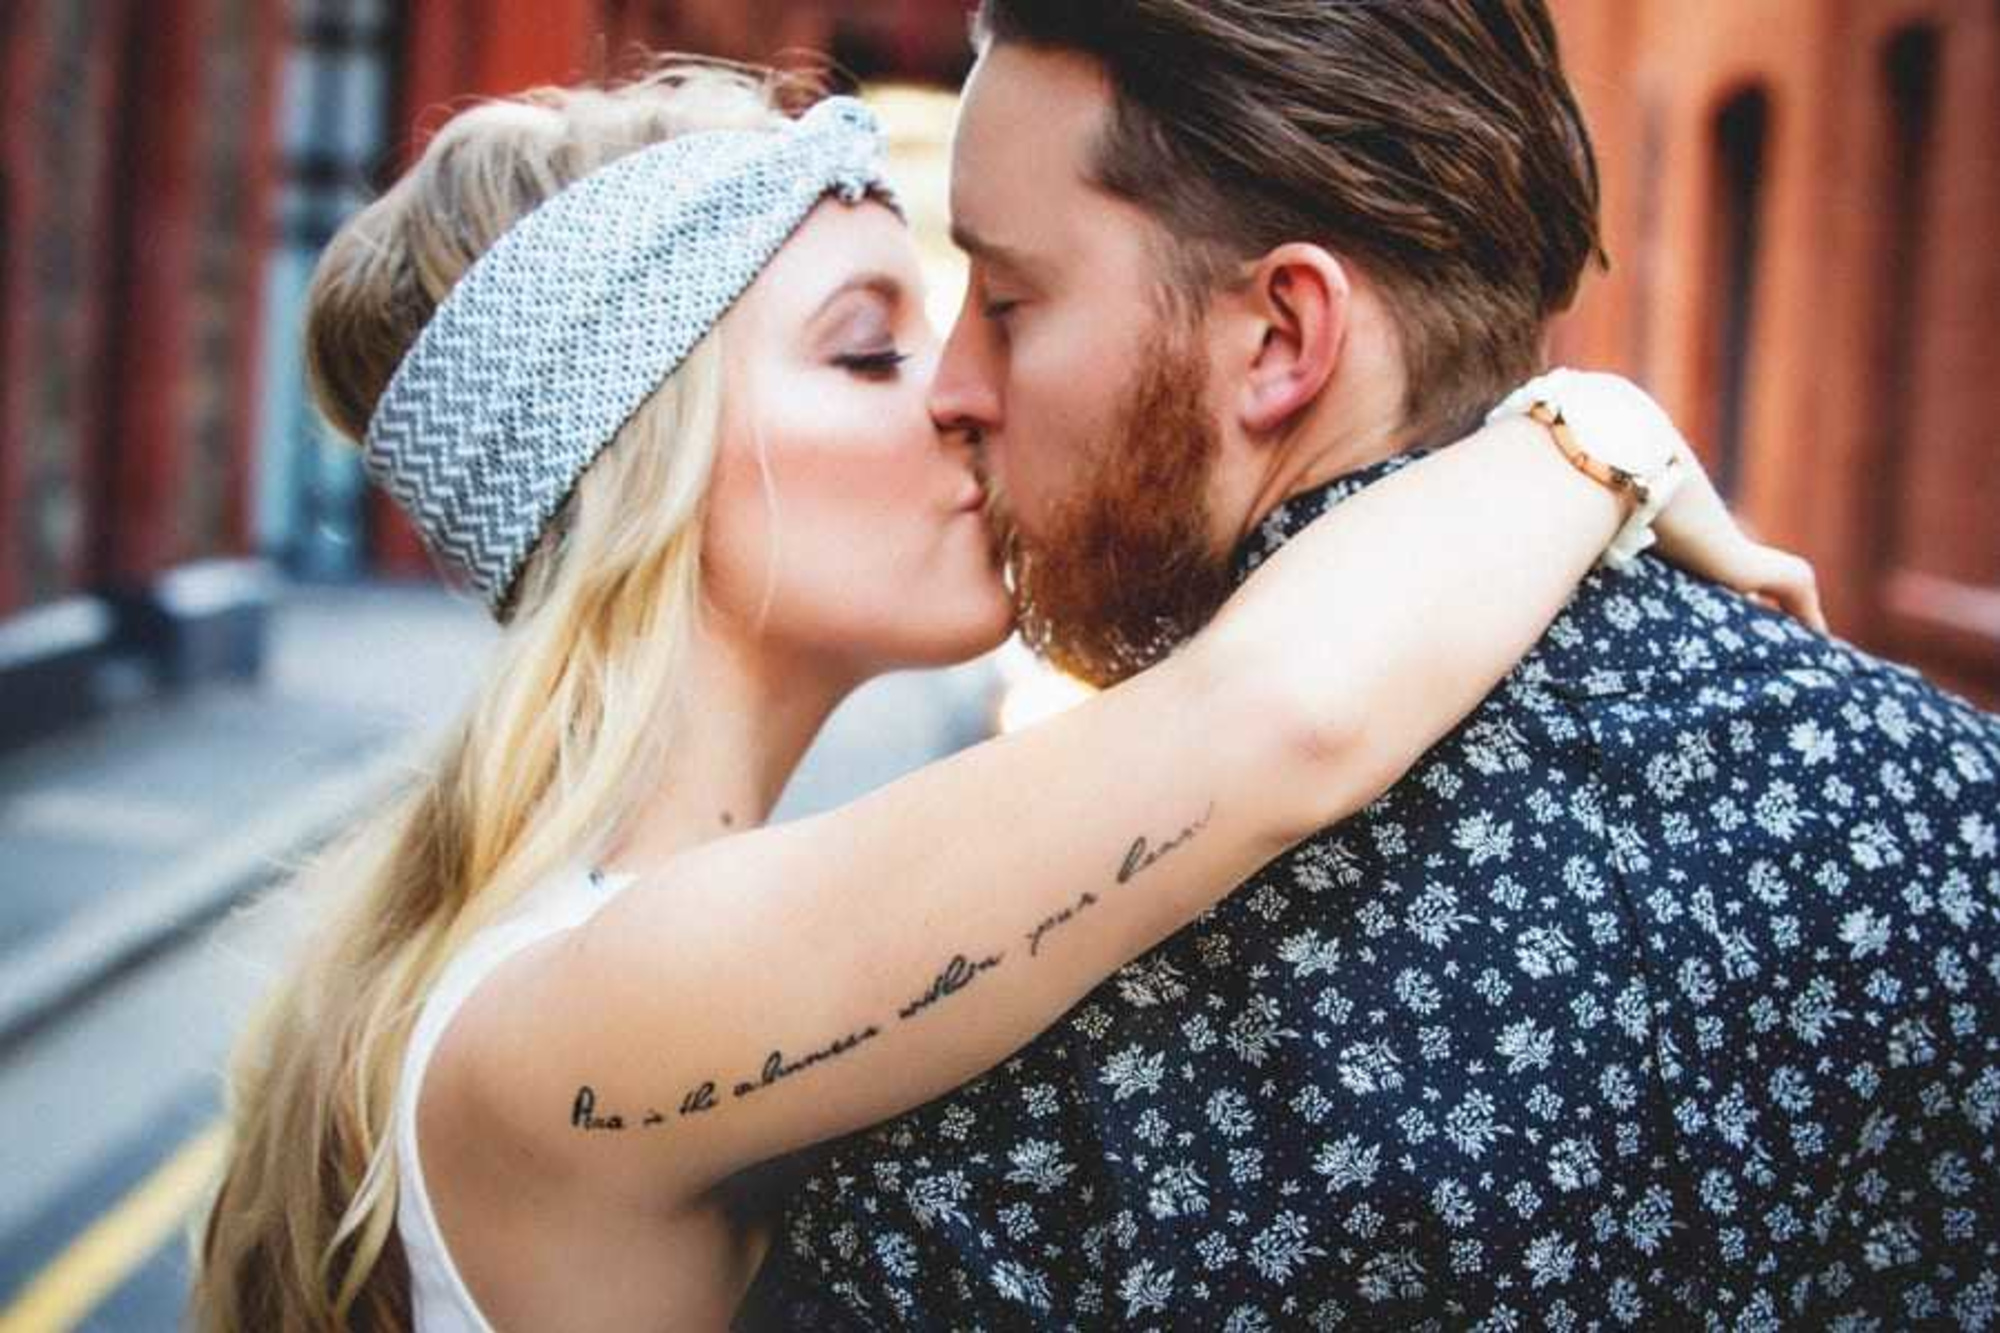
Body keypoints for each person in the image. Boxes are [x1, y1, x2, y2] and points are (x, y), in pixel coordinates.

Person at [184, 63, 1808, 1332]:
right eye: (869, 352)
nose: (969, 398)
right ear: (650, 469)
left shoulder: (596, 937)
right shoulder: (602, 992)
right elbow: (1277, 720)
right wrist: (1590, 428)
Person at [740, 4, 2000, 1329]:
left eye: (1005, 302)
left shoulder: (980, 1037)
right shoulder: (1962, 810)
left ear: (1284, 337)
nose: (956, 385)